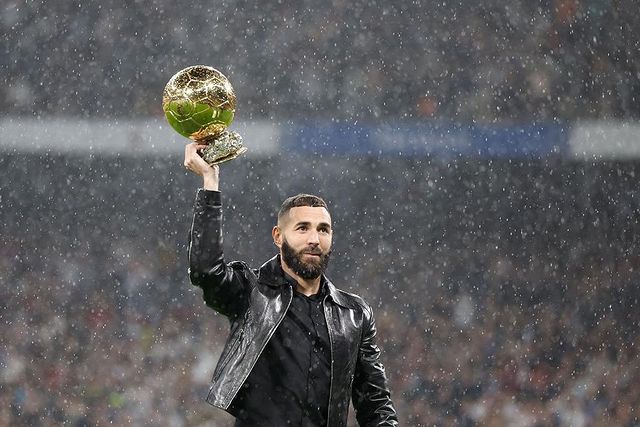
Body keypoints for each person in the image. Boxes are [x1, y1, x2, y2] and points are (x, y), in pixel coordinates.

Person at [184, 142, 398, 426]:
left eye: (323, 229)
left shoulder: (354, 314)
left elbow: (376, 405)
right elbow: (205, 270)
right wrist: (210, 184)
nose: (314, 239)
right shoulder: (252, 291)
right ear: (277, 236)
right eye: (302, 228)